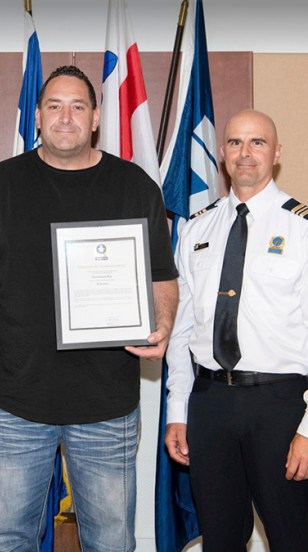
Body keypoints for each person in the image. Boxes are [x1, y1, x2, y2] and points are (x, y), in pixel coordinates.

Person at [0, 65, 178, 551]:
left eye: (77, 106)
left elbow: (162, 276)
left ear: (96, 118)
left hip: (107, 404)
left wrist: (165, 323)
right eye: (54, 106)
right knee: (7, 538)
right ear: (38, 116)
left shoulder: (135, 187)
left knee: (111, 541)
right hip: (16, 402)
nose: (65, 117)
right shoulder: (0, 185)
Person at [165, 109, 308, 551]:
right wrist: (177, 410)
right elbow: (183, 328)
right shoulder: (196, 228)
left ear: (277, 152)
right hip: (210, 405)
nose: (245, 153)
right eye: (235, 143)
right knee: (221, 538)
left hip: (282, 406)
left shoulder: (302, 228)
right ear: (222, 153)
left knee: (293, 537)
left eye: (257, 143)